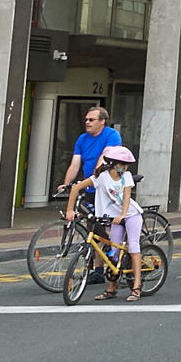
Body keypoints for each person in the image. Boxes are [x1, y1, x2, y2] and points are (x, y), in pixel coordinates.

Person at [65, 144, 142, 300]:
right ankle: (112, 288)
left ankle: (136, 287)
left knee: (133, 247)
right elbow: (76, 188)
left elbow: (127, 198)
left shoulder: (126, 177)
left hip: (131, 215)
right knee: (113, 255)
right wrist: (70, 210)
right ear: (114, 165)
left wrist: (123, 214)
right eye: (124, 165)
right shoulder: (100, 178)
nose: (126, 168)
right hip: (114, 218)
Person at [57, 107, 122, 195]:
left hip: (107, 187)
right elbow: (74, 165)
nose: (87, 122)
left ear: (102, 121)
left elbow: (105, 157)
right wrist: (66, 184)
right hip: (89, 186)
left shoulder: (112, 134)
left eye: (91, 120)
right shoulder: (82, 138)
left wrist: (96, 174)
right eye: (86, 120)